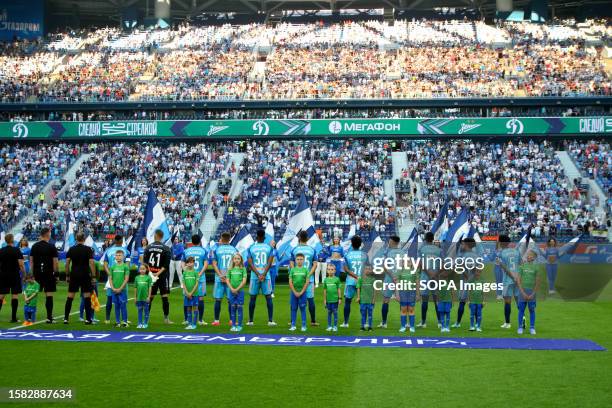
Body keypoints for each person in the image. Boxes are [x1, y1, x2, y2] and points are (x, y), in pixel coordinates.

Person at [64, 232, 96, 324]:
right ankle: (88, 319)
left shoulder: (71, 249)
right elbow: (91, 263)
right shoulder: (88, 249)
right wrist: (93, 276)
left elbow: (67, 263)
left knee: (70, 297)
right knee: (87, 297)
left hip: (74, 274)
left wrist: (67, 275)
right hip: (85, 274)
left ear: (76, 239)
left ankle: (66, 318)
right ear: (84, 239)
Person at [246, 229, 276, 326]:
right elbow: (270, 262)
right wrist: (263, 274)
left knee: (252, 298)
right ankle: (270, 321)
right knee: (268, 297)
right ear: (264, 237)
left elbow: (250, 263)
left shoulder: (251, 248)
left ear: (256, 237)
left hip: (255, 276)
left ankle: (250, 321)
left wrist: (258, 274)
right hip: (265, 276)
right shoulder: (269, 248)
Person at [290, 230, 320, 326]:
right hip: (309, 279)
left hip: (296, 279)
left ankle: (292, 321)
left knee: (294, 299)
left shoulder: (294, 249)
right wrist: (308, 274)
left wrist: (296, 273)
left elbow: (291, 264)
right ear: (307, 238)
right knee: (310, 299)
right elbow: (315, 265)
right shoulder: (312, 250)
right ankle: (313, 321)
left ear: (299, 238)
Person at [29, 228, 59, 324]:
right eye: (49, 233)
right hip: (48, 273)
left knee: (33, 294)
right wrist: (56, 274)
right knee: (49, 295)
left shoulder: (34, 246)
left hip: (37, 273)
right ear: (47, 234)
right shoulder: (51, 247)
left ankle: (29, 316)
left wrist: (31, 274)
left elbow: (31, 261)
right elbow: (55, 262)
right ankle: (49, 317)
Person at [144, 229, 173, 324]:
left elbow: (145, 263)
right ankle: (166, 319)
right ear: (162, 237)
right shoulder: (166, 248)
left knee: (150, 297)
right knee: (164, 297)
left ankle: (146, 319)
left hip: (151, 276)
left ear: (155, 236)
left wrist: (152, 272)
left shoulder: (148, 247)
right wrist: (158, 273)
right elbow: (166, 265)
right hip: (162, 276)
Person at [210, 232, 237, 326]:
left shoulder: (216, 249)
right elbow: (236, 265)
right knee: (231, 300)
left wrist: (221, 275)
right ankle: (231, 320)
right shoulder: (234, 250)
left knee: (218, 299)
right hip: (231, 278)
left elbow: (214, 264)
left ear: (221, 238)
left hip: (219, 278)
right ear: (229, 239)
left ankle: (216, 321)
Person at [182, 234, 209, 326]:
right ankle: (200, 320)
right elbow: (205, 264)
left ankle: (186, 319)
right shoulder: (203, 250)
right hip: (200, 277)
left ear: (192, 242)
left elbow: (182, 263)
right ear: (199, 241)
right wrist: (200, 273)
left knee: (187, 297)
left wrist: (186, 271)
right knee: (200, 298)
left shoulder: (186, 251)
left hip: (188, 277)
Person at [103, 235, 130, 324]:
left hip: (111, 277)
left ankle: (107, 319)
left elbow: (105, 265)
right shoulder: (126, 251)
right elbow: (127, 266)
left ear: (114, 240)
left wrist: (110, 274)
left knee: (109, 298)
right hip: (122, 277)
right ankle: (124, 320)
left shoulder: (108, 251)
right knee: (123, 299)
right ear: (122, 241)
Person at [417, 232, 441, 328]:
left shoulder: (422, 249)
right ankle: (439, 322)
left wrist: (428, 273)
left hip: (425, 277)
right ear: (432, 239)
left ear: (426, 239)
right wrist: (434, 274)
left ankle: (423, 322)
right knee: (436, 300)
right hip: (435, 278)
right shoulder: (439, 250)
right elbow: (441, 265)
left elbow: (421, 263)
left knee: (425, 300)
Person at [452, 238, 478, 328]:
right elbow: (477, 270)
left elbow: (455, 266)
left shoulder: (462, 256)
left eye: (463, 244)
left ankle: (458, 323)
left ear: (466, 245)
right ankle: (476, 324)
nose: (462, 246)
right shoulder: (476, 256)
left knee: (462, 302)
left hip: (465, 282)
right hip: (474, 282)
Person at [341, 235, 366, 328]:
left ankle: (346, 323)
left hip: (351, 281)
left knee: (347, 302)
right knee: (362, 302)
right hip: (362, 281)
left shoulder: (347, 254)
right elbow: (367, 269)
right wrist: (360, 276)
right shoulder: (364, 254)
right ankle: (364, 322)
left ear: (351, 244)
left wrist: (355, 276)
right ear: (360, 244)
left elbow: (346, 269)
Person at [0, 234, 26, 323]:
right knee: (15, 295)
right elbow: (21, 264)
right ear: (12, 240)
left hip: (3, 275)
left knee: (2, 295)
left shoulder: (1, 250)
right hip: (14, 274)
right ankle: (13, 317)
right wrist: (24, 275)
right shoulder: (16, 250)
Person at [497, 235, 520, 329]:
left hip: (508, 280)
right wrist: (518, 276)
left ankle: (507, 323)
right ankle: (522, 320)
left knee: (507, 302)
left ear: (501, 242)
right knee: (519, 302)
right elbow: (522, 264)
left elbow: (505, 268)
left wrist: (511, 276)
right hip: (518, 279)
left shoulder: (501, 253)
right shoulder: (516, 251)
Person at [517, 250, 541, 335]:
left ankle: (532, 328)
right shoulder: (522, 266)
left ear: (534, 258)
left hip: (531, 292)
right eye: (527, 255)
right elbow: (518, 280)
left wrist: (533, 294)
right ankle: (520, 327)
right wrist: (522, 292)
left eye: (530, 255)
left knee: (531, 310)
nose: (528, 256)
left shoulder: (536, 267)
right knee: (521, 310)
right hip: (522, 291)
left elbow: (538, 282)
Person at [379, 235, 401, 328]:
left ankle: (384, 323)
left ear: (392, 242)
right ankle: (405, 323)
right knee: (403, 300)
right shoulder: (403, 252)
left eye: (389, 241)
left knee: (386, 300)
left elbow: (384, 265)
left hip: (389, 278)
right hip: (400, 278)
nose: (389, 242)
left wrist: (392, 276)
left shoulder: (387, 252)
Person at [396, 258, 418, 333]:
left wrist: (418, 294)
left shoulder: (414, 271)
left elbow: (417, 283)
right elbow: (397, 284)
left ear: (411, 263)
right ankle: (403, 326)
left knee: (411, 310)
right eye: (405, 262)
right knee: (403, 310)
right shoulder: (400, 272)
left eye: (409, 262)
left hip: (412, 293)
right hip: (403, 293)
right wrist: (397, 294)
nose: (407, 263)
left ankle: (412, 327)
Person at [227, 253, 247, 332]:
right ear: (233, 260)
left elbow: (244, 281)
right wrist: (232, 289)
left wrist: (237, 289)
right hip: (231, 291)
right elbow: (227, 280)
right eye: (235, 258)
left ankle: (239, 325)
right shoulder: (230, 269)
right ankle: (233, 325)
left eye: (238, 259)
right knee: (232, 308)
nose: (237, 260)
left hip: (240, 291)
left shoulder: (243, 269)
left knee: (239, 307)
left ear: (241, 260)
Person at [288, 253, 309, 332]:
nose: (299, 261)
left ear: (303, 260)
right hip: (294, 293)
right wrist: (295, 292)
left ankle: (304, 325)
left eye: (301, 259)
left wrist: (301, 292)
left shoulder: (306, 270)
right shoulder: (292, 270)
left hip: (302, 293)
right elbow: (290, 282)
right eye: (298, 259)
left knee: (303, 309)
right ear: (295, 261)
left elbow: (307, 282)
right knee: (293, 308)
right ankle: (293, 325)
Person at [109, 251, 129, 327]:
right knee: (116, 306)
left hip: (122, 290)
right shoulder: (113, 267)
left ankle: (125, 322)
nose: (118, 257)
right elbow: (110, 279)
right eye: (116, 255)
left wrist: (120, 288)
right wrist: (113, 288)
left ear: (123, 257)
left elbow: (126, 279)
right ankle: (117, 322)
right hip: (114, 290)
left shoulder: (125, 267)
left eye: (120, 255)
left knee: (123, 305)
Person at [181, 257, 199, 330]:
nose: (190, 264)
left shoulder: (196, 272)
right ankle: (189, 323)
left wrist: (191, 293)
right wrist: (187, 293)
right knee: (188, 308)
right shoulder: (184, 272)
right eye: (188, 262)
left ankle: (194, 324)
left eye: (191, 262)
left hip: (194, 294)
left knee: (195, 308)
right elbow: (184, 283)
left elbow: (196, 284)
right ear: (186, 264)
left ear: (194, 263)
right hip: (187, 294)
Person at [356, 265, 376, 331]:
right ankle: (362, 327)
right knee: (363, 314)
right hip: (363, 300)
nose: (367, 270)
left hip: (370, 301)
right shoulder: (360, 279)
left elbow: (375, 290)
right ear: (364, 270)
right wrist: (358, 297)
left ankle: (370, 327)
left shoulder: (373, 279)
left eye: (369, 269)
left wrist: (374, 299)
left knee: (370, 314)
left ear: (371, 270)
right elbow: (358, 288)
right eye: (366, 269)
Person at [322, 263, 341, 332]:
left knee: (335, 313)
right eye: (329, 269)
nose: (330, 271)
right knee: (329, 313)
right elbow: (324, 290)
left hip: (335, 300)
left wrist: (340, 298)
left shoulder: (337, 279)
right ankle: (329, 326)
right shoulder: (325, 280)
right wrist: (324, 300)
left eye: (332, 270)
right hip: (328, 300)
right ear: (327, 271)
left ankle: (335, 326)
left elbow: (339, 289)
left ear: (335, 271)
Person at [134, 264, 152, 329]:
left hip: (145, 298)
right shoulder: (136, 278)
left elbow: (150, 288)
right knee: (139, 310)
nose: (142, 270)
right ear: (139, 270)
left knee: (146, 310)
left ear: (146, 269)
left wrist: (149, 297)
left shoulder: (148, 278)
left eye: (143, 269)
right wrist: (135, 297)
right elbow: (135, 288)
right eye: (141, 269)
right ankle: (139, 323)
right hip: (139, 298)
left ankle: (145, 323)